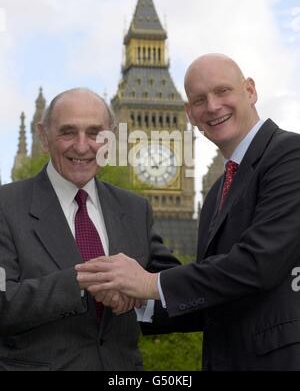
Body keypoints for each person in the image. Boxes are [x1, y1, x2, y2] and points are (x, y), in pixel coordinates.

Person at [77, 54, 300, 371]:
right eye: (199, 100)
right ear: (189, 114)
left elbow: (258, 264)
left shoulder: (290, 155)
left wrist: (150, 284)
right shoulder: (216, 193)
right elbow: (213, 296)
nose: (212, 106)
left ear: (250, 91)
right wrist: (137, 302)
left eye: (223, 91)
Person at [0, 88, 179, 371]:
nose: (82, 147)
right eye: (68, 132)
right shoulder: (6, 206)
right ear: (44, 136)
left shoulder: (134, 209)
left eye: (95, 133)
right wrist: (84, 280)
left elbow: (176, 289)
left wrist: (140, 293)